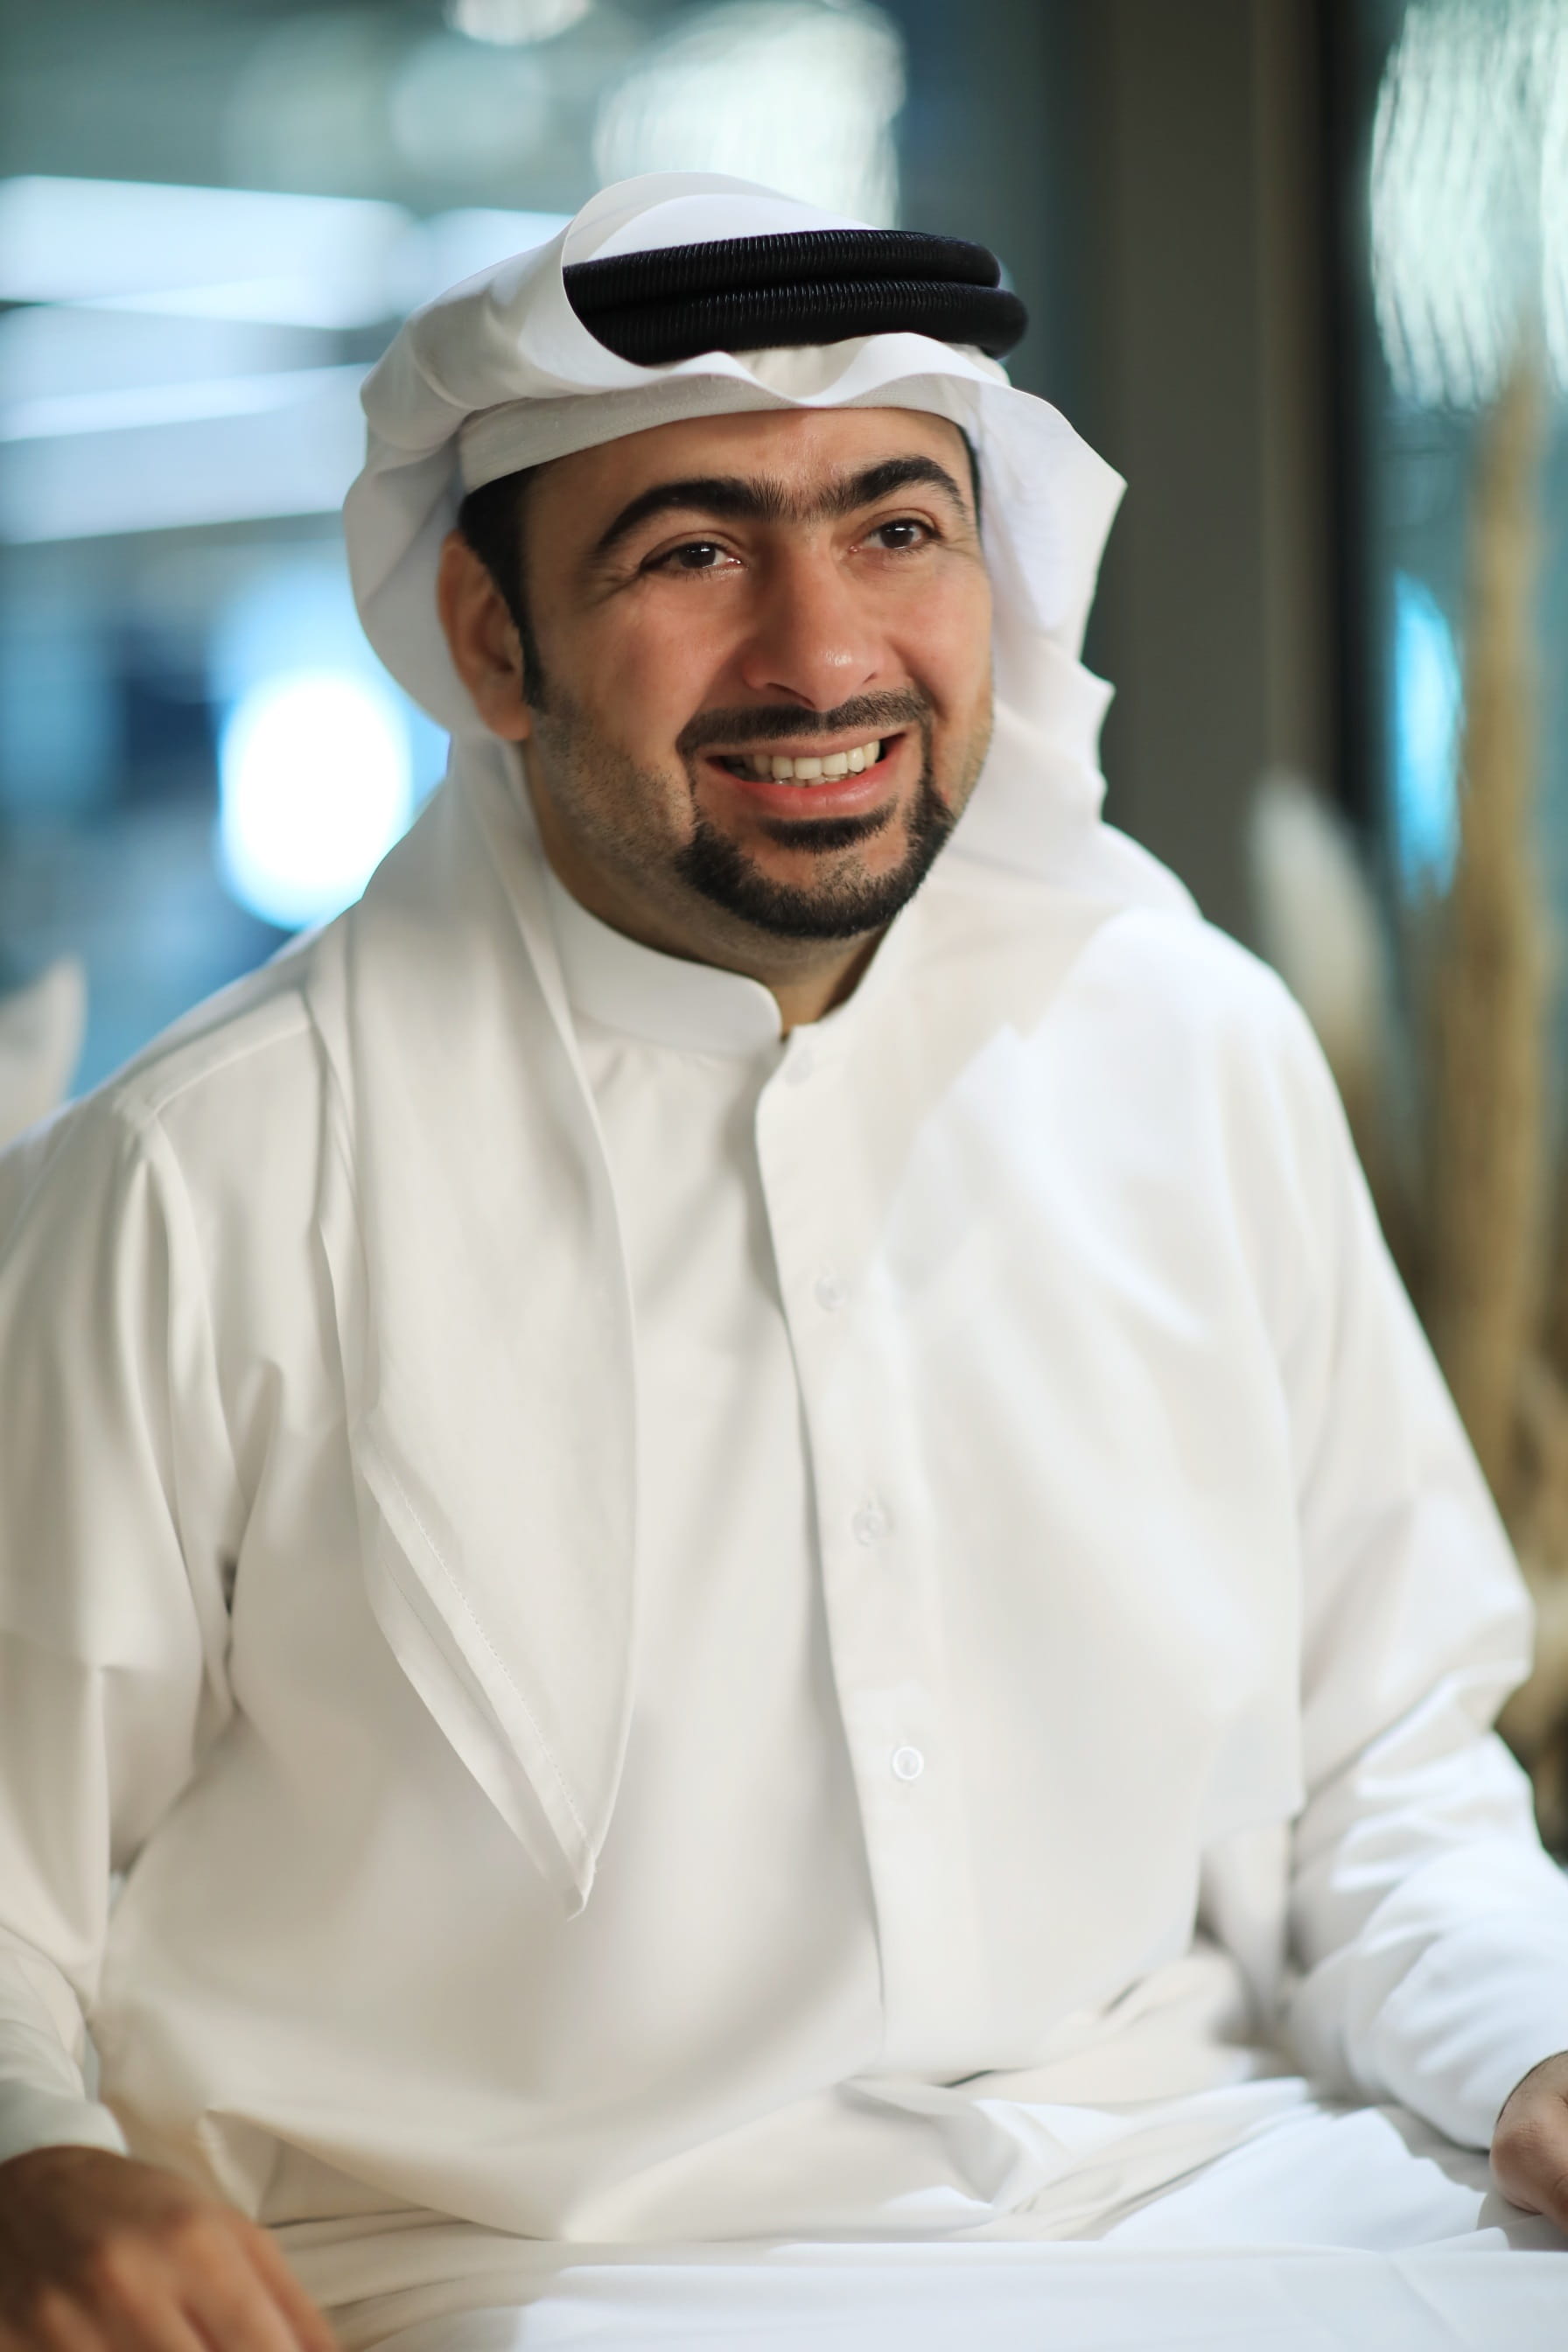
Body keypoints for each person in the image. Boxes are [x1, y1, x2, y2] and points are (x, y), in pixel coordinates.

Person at [0, 173, 1566, 2352]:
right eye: (691, 551)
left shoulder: (1188, 1046)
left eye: (896, 529)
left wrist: (1530, 2045)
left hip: (1221, 2200)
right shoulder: (202, 1179)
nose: (823, 655)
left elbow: (1382, 1767)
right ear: (489, 639)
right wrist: (32, 2164)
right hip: (513, 2281)